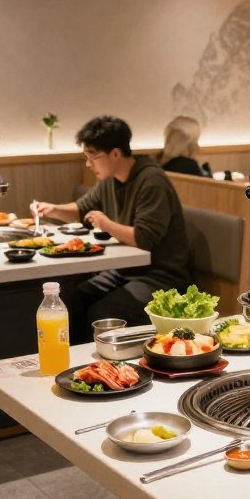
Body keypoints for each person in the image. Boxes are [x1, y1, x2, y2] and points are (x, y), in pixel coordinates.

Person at [34, 116, 190, 340]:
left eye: (93, 157)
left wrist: (105, 223)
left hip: (161, 277)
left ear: (115, 154)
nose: (89, 164)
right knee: (74, 299)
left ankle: (109, 370)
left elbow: (144, 238)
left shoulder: (152, 181)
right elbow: (82, 209)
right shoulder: (110, 180)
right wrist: (52, 210)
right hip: (124, 272)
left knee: (103, 313)